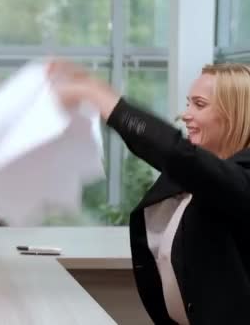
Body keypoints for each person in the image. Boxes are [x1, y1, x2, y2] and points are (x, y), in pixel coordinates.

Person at [48, 60, 250, 324]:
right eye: (188, 103)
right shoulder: (193, 180)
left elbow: (175, 154)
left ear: (236, 114)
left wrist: (101, 98)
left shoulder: (240, 178)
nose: (186, 114)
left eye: (199, 105)